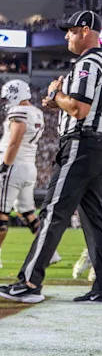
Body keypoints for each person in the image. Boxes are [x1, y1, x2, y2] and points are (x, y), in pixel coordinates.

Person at [0, 11, 102, 304]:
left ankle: (29, 282)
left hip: (82, 146)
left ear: (84, 30)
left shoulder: (89, 63)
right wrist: (59, 103)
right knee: (94, 219)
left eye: (70, 31)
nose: (66, 36)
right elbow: (81, 107)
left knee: (53, 212)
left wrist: (57, 95)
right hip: (101, 146)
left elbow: (80, 110)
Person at [0, 80, 46, 268]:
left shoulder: (19, 112)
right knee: (27, 212)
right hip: (28, 166)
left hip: (14, 166)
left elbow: (14, 142)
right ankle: (49, 252)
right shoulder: (37, 112)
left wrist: (4, 165)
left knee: (1, 213)